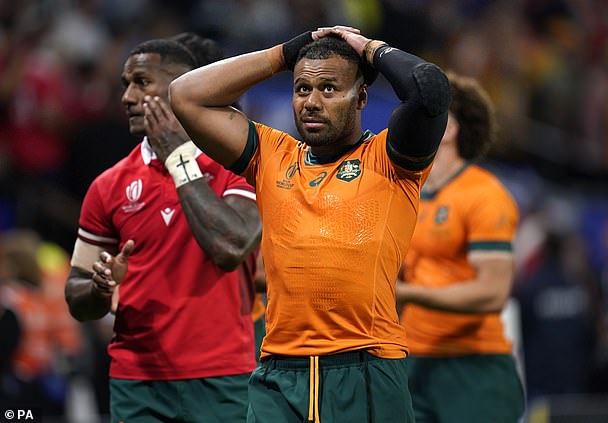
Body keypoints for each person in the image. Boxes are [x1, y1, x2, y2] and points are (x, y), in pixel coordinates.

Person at [170, 25, 451, 423]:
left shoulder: (391, 161)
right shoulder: (271, 155)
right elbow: (184, 95)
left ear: (361, 98)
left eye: (330, 90)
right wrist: (284, 54)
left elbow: (429, 92)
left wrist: (369, 49)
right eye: (302, 89)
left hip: (365, 366)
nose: (312, 102)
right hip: (278, 376)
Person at [64, 37, 262, 423]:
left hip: (222, 377)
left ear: (181, 89)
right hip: (137, 382)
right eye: (125, 84)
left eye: (141, 82)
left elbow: (231, 246)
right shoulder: (108, 186)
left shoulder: (235, 164)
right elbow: (76, 295)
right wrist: (100, 288)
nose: (127, 97)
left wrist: (177, 157)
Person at [394, 73, 524, 422]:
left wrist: (407, 294)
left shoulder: (484, 195)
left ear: (449, 128)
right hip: (412, 363)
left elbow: (492, 292)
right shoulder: (407, 193)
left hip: (474, 367)